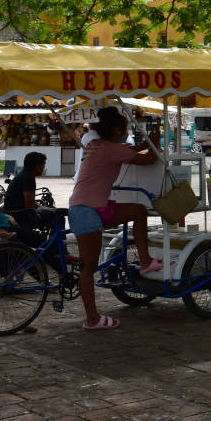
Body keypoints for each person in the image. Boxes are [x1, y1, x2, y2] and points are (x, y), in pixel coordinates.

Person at [68, 106, 162, 331]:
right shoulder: (110, 148)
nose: (126, 130)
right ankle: (92, 319)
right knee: (89, 267)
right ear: (115, 129)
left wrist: (146, 143)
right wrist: (156, 140)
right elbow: (148, 158)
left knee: (138, 211)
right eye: (125, 127)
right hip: (86, 210)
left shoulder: (97, 145)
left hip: (91, 207)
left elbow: (132, 149)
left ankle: (146, 261)